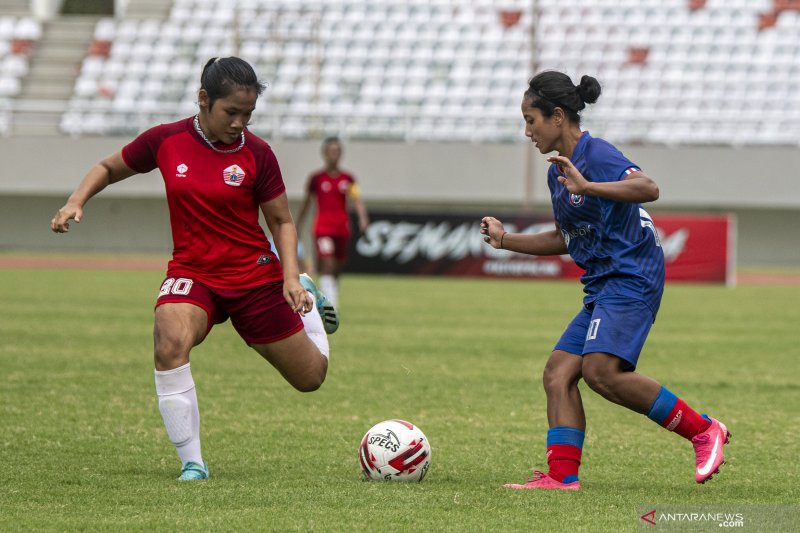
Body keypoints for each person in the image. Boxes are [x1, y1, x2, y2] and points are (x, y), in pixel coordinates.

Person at [50, 57, 339, 481]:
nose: (240, 122)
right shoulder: (167, 140)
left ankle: (309, 306)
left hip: (254, 275)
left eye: (248, 114)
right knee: (169, 342)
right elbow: (109, 167)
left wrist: (290, 277)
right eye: (231, 112)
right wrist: (77, 200)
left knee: (310, 378)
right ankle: (193, 462)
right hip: (194, 273)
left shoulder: (259, 154)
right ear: (204, 99)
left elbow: (281, 221)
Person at [480, 71, 730, 491]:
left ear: (557, 116)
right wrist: (506, 241)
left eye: (531, 119)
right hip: (603, 283)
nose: (526, 131)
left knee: (601, 372)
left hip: (632, 275)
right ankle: (562, 477)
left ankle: (704, 430)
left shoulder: (595, 155)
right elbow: (566, 236)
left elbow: (648, 188)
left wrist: (589, 185)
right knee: (558, 373)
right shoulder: (555, 172)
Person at [295, 137, 369, 308]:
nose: (333, 155)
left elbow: (356, 199)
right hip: (323, 228)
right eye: (330, 151)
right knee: (327, 263)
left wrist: (363, 218)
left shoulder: (348, 178)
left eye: (337, 151)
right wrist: (297, 223)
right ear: (324, 154)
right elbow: (307, 202)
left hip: (342, 228)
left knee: (337, 266)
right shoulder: (316, 178)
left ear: (341, 154)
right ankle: (330, 306)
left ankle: (329, 294)